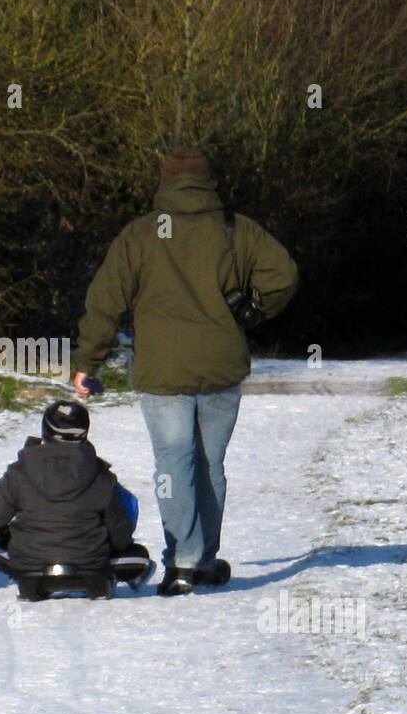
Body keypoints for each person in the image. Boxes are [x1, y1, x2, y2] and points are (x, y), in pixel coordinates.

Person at [68, 147, 298, 595]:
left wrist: (86, 364)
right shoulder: (235, 229)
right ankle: (205, 560)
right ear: (208, 181)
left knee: (174, 463)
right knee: (210, 464)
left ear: (164, 182)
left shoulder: (141, 235)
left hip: (162, 370)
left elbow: (105, 302)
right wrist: (252, 311)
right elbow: (284, 274)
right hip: (221, 366)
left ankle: (185, 561)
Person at [0, 400, 152, 585]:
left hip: (29, 564)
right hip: (90, 564)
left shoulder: (19, 472)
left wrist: (6, 534)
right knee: (138, 556)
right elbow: (121, 538)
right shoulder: (101, 476)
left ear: (46, 431)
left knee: (1, 549)